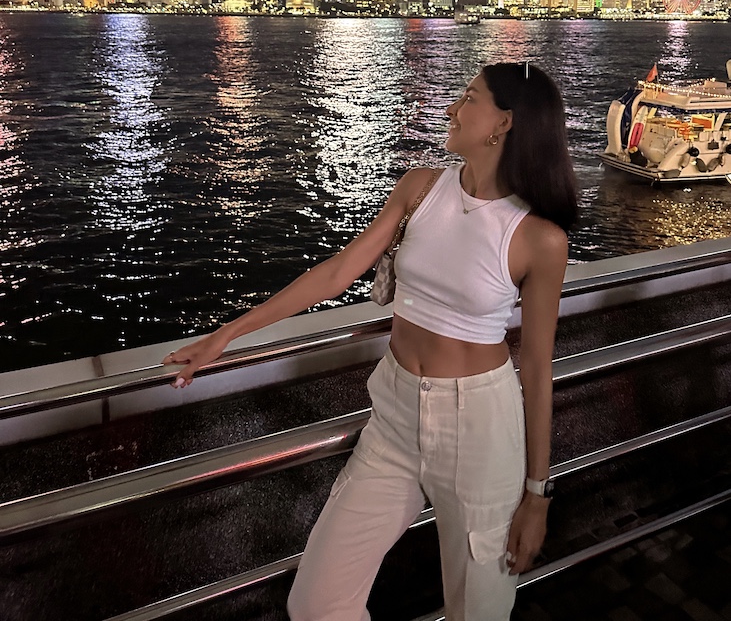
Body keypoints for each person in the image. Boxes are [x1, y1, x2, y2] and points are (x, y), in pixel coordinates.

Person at [164, 62, 578, 621]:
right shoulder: (420, 188)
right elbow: (338, 272)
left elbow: (535, 367)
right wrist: (225, 336)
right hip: (395, 417)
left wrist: (537, 493)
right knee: (316, 602)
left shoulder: (539, 239)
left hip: (482, 427)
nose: (453, 109)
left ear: (502, 123)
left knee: (477, 610)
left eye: (468, 98)